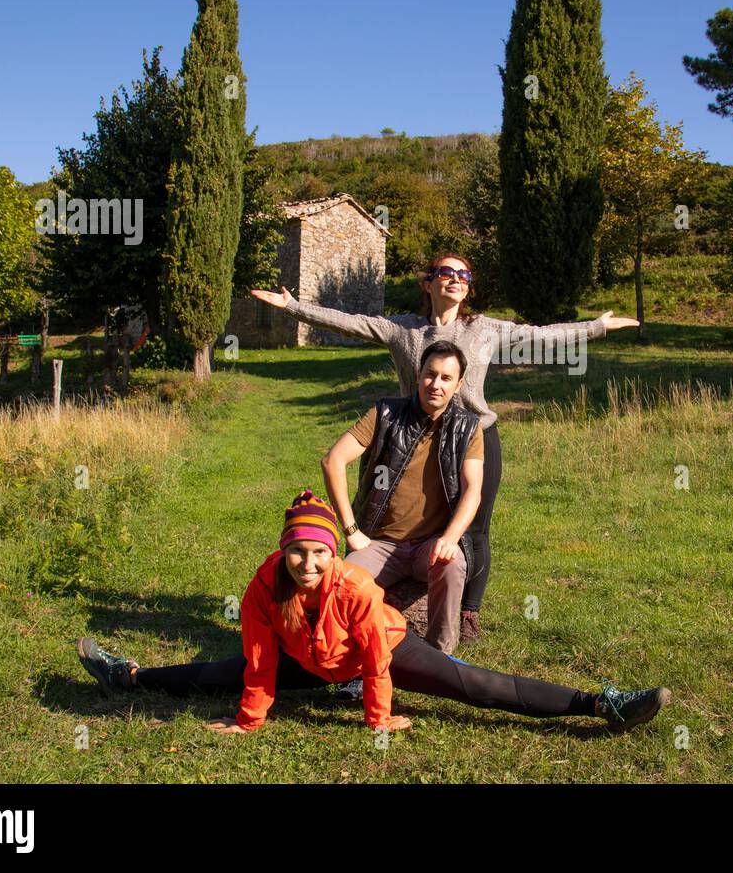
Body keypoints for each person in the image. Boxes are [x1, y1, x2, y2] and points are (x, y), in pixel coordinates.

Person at [251, 253, 639, 640]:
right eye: (446, 272)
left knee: (475, 527)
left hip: (474, 437)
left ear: (468, 286)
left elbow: (539, 335)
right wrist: (294, 308)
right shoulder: (402, 329)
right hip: (410, 435)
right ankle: (374, 593)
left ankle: (468, 611)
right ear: (429, 282)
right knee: (393, 512)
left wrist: (596, 327)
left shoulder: (483, 329)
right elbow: (351, 323)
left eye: (463, 274)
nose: (455, 279)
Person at [76, 491, 670, 735]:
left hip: (380, 651)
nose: (307, 564)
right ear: (283, 551)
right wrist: (249, 721)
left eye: (318, 553)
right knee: (215, 673)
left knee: (475, 686)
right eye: (296, 552)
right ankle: (126, 677)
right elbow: (260, 659)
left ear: (332, 554)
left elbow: (372, 656)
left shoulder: (355, 587)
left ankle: (601, 705)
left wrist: (377, 716)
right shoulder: (263, 587)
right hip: (311, 661)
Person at [323, 339, 481, 656]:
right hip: (380, 543)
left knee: (452, 565)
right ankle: (349, 660)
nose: (436, 384)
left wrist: (450, 539)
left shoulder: (467, 428)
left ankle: (440, 658)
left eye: (446, 378)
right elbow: (333, 461)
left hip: (430, 544)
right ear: (418, 373)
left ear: (458, 384)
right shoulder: (386, 414)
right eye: (430, 374)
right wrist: (351, 531)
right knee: (344, 585)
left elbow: (472, 490)